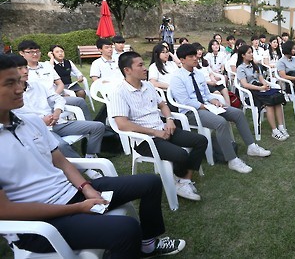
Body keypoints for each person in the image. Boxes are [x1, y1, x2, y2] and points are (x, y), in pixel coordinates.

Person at [0, 54, 185, 258]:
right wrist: (79, 208)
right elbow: (5, 210)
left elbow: (61, 161)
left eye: (19, 80)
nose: (20, 88)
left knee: (150, 182)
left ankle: (148, 245)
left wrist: (86, 188)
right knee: (127, 229)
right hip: (39, 224)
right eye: (10, 83)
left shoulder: (31, 122)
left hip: (72, 194)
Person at [109, 51, 208, 201]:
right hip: (144, 140)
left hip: (163, 129)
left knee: (200, 140)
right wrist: (155, 132)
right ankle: (181, 180)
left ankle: (184, 180)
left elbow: (163, 105)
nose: (145, 68)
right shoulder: (119, 93)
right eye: (140, 65)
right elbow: (122, 124)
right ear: (127, 70)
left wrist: (169, 119)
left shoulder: (148, 85)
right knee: (181, 154)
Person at [170, 44, 271, 174]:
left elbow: (206, 94)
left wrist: (214, 100)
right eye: (191, 56)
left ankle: (251, 146)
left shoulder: (199, 74)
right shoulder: (177, 77)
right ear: (182, 60)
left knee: (238, 114)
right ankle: (232, 160)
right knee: (220, 122)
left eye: (196, 55)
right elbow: (185, 101)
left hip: (207, 106)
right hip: (191, 112)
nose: (195, 58)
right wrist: (206, 106)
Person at [10, 54, 105, 160]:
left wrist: (57, 112)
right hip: (39, 130)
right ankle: (87, 169)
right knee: (60, 145)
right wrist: (40, 121)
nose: (25, 71)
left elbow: (58, 99)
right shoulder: (8, 96)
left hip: (56, 122)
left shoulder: (36, 85)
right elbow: (16, 120)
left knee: (98, 126)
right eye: (20, 69)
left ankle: (90, 157)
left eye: (25, 67)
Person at [18, 40, 92, 121]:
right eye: (30, 52)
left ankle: (88, 124)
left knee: (80, 101)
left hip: (55, 98)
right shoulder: (22, 71)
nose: (35, 54)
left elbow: (60, 84)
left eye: (37, 51)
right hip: (37, 103)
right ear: (21, 53)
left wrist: (55, 95)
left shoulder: (47, 66)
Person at [236, 45, 289, 141]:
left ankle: (281, 126)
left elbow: (261, 79)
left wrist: (265, 85)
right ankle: (274, 130)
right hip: (250, 94)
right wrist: (260, 87)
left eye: (252, 52)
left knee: (276, 100)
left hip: (260, 90)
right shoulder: (240, 68)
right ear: (243, 55)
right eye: (249, 53)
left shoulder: (255, 66)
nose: (251, 54)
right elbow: (245, 85)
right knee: (269, 103)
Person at [193, 42, 231, 107]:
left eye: (200, 50)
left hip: (210, 81)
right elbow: (197, 79)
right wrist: (210, 82)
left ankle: (228, 106)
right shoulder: (193, 63)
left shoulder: (204, 61)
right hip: (204, 84)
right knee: (217, 93)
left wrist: (213, 81)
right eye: (197, 50)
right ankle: (221, 107)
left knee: (224, 89)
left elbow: (210, 73)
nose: (199, 52)